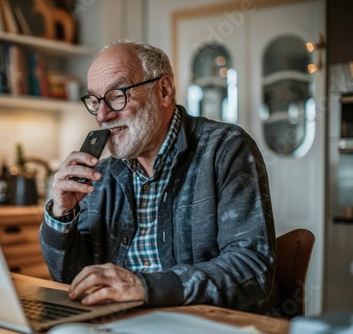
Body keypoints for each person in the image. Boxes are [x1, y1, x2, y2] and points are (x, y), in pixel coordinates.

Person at [39, 39, 279, 315]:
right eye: (95, 100)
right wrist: (61, 215)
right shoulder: (100, 175)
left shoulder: (225, 150)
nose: (102, 115)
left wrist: (144, 286)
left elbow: (252, 269)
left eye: (117, 94)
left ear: (164, 91)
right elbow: (70, 279)